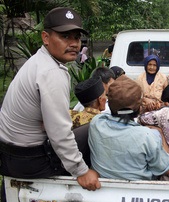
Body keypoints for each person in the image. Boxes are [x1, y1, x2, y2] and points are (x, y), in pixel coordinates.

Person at [0, 7, 100, 191]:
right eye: (65, 36)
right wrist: (81, 171)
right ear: (46, 38)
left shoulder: (39, 61)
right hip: (30, 161)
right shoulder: (51, 72)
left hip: (9, 155)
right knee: (96, 128)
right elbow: (59, 134)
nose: (74, 44)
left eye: (76, 37)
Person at [88, 75, 169, 180]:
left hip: (102, 188)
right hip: (139, 192)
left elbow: (119, 112)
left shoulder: (96, 123)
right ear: (139, 107)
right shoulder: (148, 136)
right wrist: (160, 133)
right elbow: (166, 169)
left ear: (109, 105)